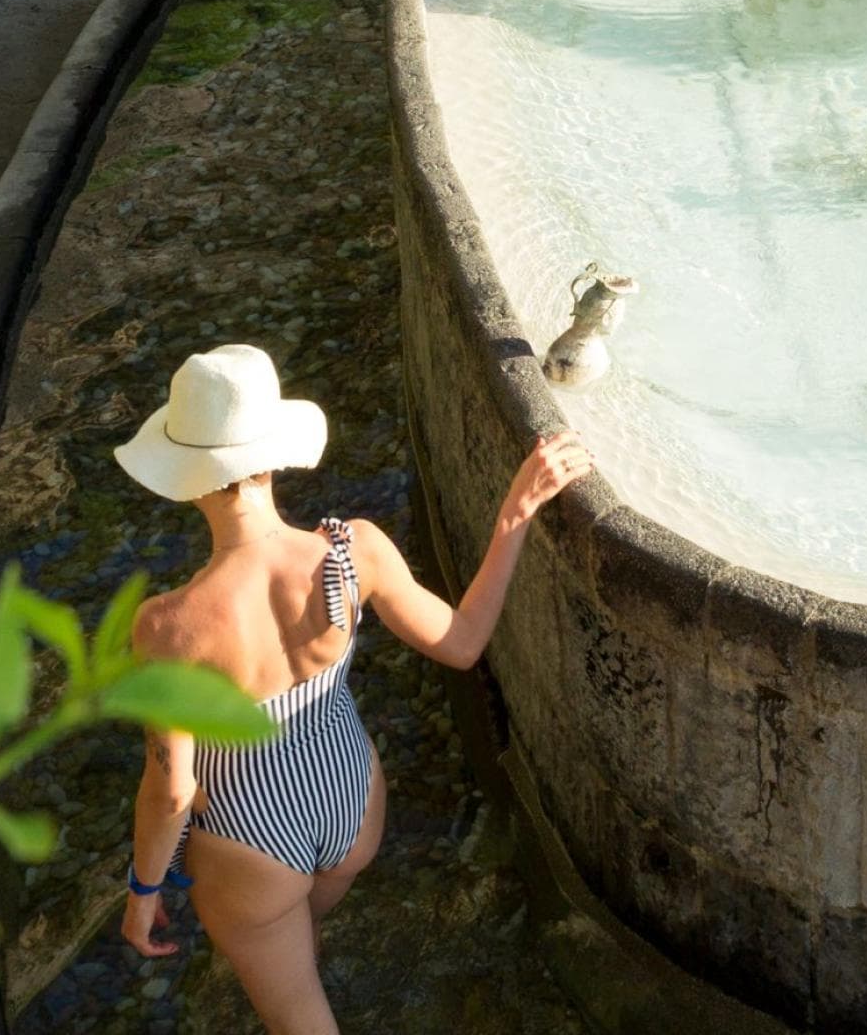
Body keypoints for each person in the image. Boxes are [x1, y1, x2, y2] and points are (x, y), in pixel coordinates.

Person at [109, 343, 591, 1033]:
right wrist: (516, 511)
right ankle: (287, 944)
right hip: (351, 799)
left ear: (185, 477)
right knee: (297, 932)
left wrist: (143, 890)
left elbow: (174, 790)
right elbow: (461, 644)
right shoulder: (352, 550)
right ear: (272, 457)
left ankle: (278, 954)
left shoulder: (168, 625)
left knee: (299, 1013)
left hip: (250, 842)